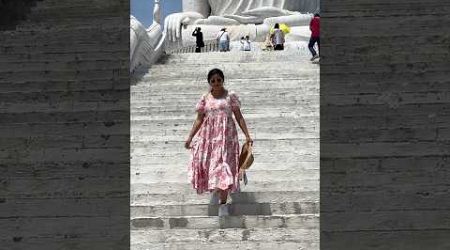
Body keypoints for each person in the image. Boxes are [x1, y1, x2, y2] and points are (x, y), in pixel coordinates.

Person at [185, 68, 253, 212]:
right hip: (209, 138)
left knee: (224, 167)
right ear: (209, 82)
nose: (216, 83)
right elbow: (199, 119)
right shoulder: (205, 98)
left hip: (227, 137)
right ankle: (218, 191)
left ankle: (223, 204)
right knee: (213, 166)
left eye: (219, 80)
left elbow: (238, 116)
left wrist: (247, 135)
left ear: (223, 80)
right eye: (213, 81)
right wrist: (190, 137)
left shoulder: (230, 96)